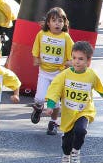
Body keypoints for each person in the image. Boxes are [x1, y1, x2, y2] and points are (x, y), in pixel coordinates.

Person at [45, 41, 103, 163]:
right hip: (69, 112)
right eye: (74, 58)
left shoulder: (91, 75)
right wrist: (51, 105)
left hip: (84, 111)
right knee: (67, 139)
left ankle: (76, 151)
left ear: (88, 60)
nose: (76, 62)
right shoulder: (65, 75)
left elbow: (97, 85)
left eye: (81, 59)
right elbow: (55, 89)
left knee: (80, 131)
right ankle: (66, 157)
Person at [30, 7, 74, 135]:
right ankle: (38, 108)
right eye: (54, 20)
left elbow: (72, 57)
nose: (57, 23)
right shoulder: (41, 34)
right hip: (44, 72)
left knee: (54, 103)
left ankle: (53, 122)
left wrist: (69, 63)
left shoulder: (66, 37)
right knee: (39, 98)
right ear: (48, 23)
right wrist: (35, 58)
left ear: (64, 23)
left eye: (60, 21)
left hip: (58, 74)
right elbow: (35, 49)